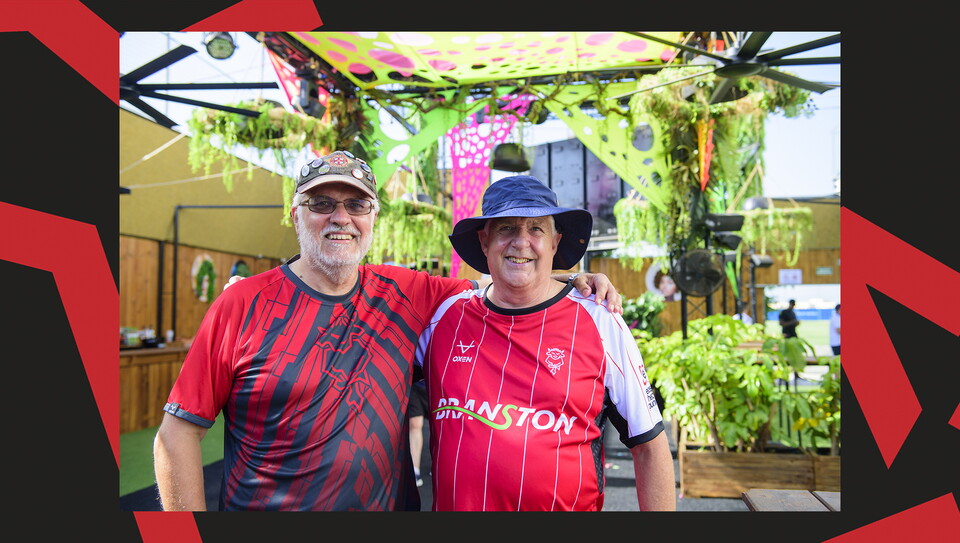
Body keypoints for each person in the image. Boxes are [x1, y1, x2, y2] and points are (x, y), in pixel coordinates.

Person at [153, 150, 623, 511]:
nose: (341, 217)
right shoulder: (243, 303)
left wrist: (568, 278)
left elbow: (502, 279)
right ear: (295, 214)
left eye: (357, 203)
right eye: (321, 203)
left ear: (373, 216)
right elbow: (176, 433)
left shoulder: (407, 293)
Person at [415, 175, 676, 511]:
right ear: (484, 240)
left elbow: (649, 446)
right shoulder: (444, 318)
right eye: (506, 228)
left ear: (555, 241)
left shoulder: (599, 320)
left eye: (536, 229)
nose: (521, 242)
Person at [408, 379, 429, 488]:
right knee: (414, 423)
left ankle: (439, 466)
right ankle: (414, 470)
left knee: (440, 425)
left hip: (437, 381)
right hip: (415, 382)